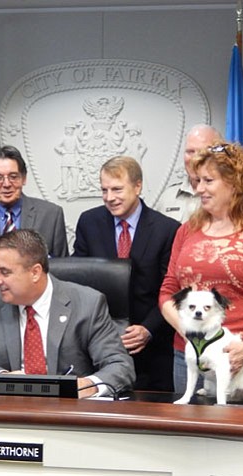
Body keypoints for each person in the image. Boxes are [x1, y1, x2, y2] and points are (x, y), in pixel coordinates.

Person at [159, 142, 243, 396]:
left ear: (235, 183)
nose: (199, 189)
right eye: (197, 181)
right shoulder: (187, 231)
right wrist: (189, 333)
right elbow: (168, 291)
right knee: (187, 433)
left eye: (208, 181)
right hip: (190, 358)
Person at [0, 229, 135, 398]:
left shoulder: (88, 303)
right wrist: (5, 378)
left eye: (4, 272)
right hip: (11, 412)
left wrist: (88, 385)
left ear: (35, 272)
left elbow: (120, 367)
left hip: (69, 413)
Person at [73, 156, 180, 392]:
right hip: (99, 346)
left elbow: (172, 290)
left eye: (117, 189)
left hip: (154, 349)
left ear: (138, 186)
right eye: (104, 190)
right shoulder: (89, 222)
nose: (109, 197)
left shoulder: (167, 229)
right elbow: (79, 280)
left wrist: (148, 329)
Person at [0, 145, 69, 257]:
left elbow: (62, 267)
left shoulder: (51, 214)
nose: (6, 184)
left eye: (13, 176)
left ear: (24, 178)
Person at [155, 124, 222, 223]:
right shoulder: (168, 197)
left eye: (202, 152)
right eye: (190, 151)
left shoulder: (227, 197)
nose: (195, 158)